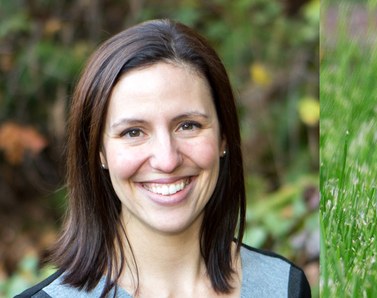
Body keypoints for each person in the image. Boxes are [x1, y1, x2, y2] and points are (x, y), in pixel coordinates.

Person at [16, 19, 310, 297]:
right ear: (100, 152)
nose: (167, 160)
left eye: (188, 126)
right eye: (133, 132)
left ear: (224, 136)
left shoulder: (283, 286)